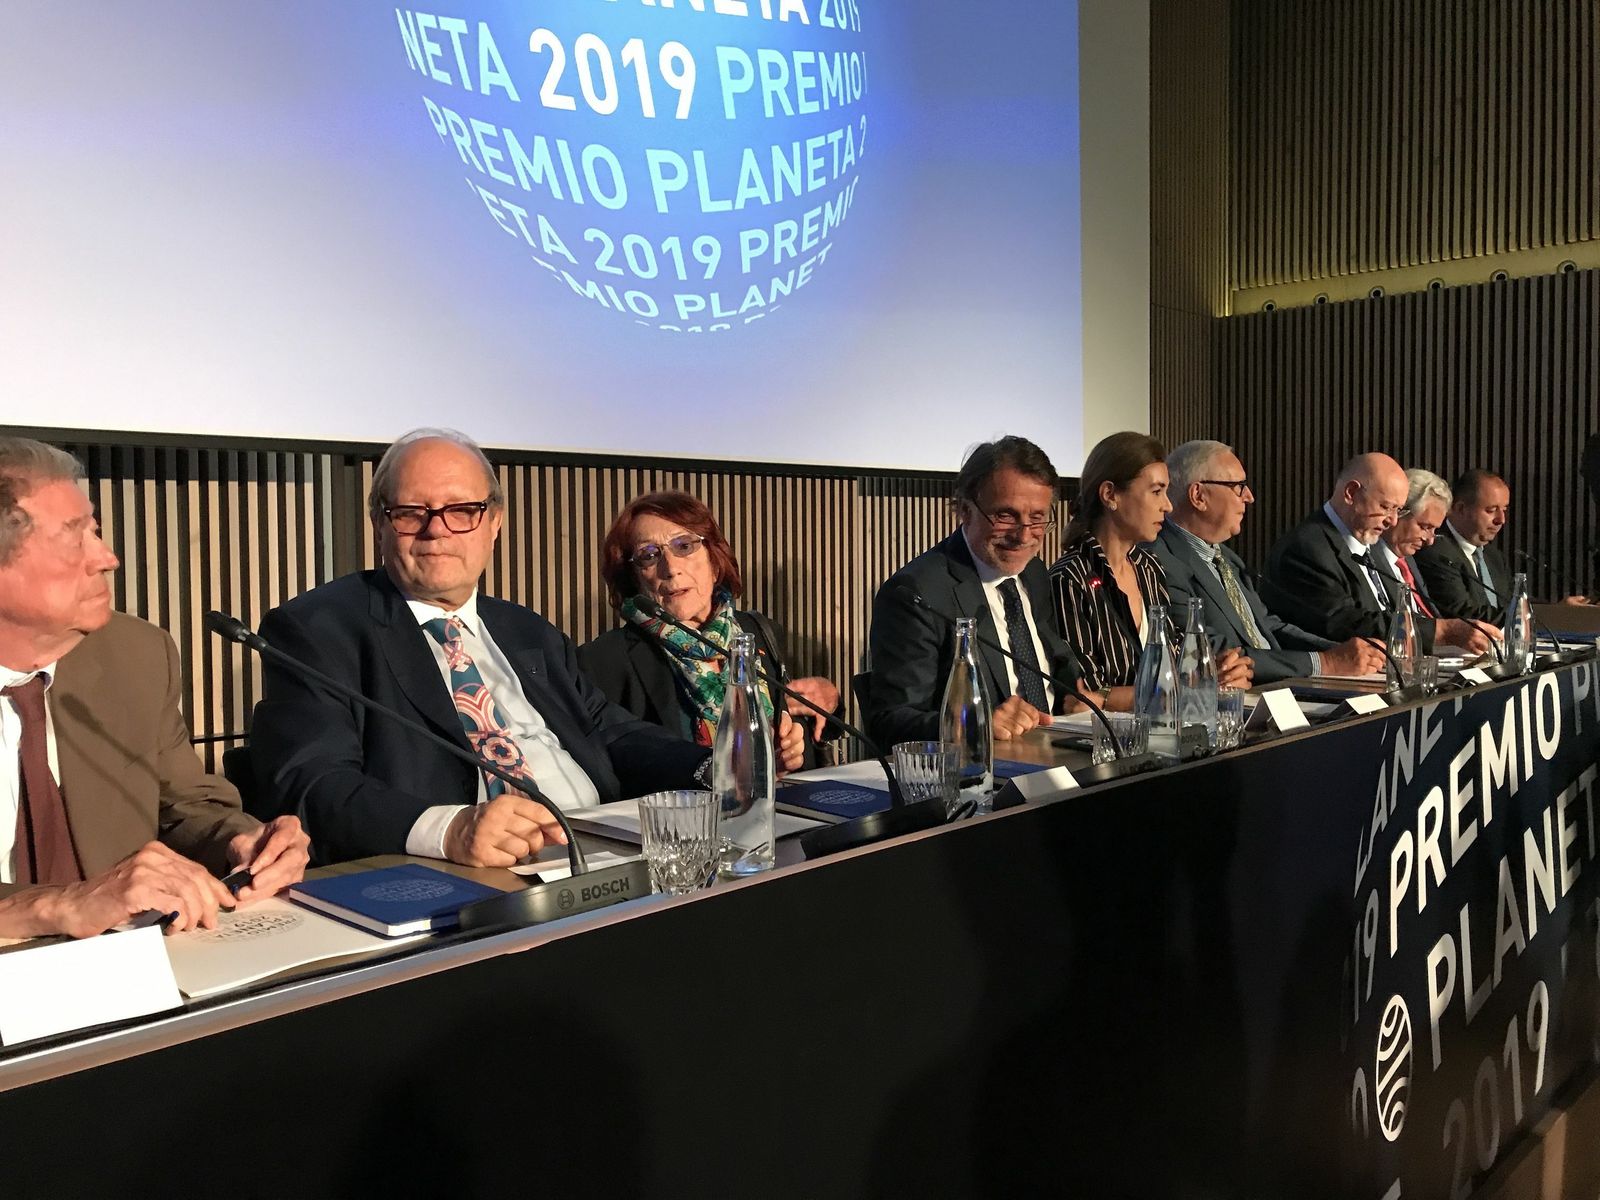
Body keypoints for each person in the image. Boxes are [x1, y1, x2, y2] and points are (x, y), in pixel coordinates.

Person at [249, 429, 709, 868]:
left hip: (603, 853)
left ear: (493, 523)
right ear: (379, 523)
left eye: (462, 510)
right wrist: (449, 831)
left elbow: (611, 733)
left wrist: (717, 767)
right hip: (459, 879)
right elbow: (309, 783)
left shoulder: (526, 630)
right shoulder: (318, 630)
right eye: (411, 512)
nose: (437, 531)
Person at [0, 437, 308, 939]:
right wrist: (54, 906)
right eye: (75, 538)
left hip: (137, 971)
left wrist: (243, 841)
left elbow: (185, 808)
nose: (107, 558)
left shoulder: (135, 655)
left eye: (95, 531)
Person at [578, 491, 826, 771]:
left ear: (714, 559)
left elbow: (796, 730)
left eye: (684, 546)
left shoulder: (755, 631)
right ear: (634, 577)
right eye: (648, 555)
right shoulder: (605, 660)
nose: (671, 568)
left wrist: (792, 746)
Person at [865, 436, 1085, 748]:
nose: (1024, 535)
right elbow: (889, 720)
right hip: (978, 769)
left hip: (1055, 746)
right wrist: (973, 723)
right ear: (965, 510)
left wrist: (1073, 701)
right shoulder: (917, 592)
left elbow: (1054, 667)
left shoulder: (1034, 574)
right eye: (1005, 516)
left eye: (1037, 518)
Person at [1149, 440, 1386, 684]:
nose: (1249, 497)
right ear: (1198, 495)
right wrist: (1326, 662)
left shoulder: (1226, 558)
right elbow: (1212, 652)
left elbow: (1268, 626)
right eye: (1238, 486)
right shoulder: (1161, 560)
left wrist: (1346, 652)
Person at [1050, 433, 1253, 708]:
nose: (1167, 505)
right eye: (1156, 491)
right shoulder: (1070, 578)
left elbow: (1179, 662)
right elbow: (1088, 694)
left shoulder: (1149, 568)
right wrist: (1188, 689)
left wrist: (1217, 671)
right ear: (1110, 495)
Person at [1260, 452, 1439, 651]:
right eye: (1386, 507)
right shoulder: (1306, 548)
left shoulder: (1371, 546)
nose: (1393, 521)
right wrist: (1435, 631)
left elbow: (1386, 613)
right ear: (1351, 493)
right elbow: (1344, 624)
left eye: (1398, 510)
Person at [1375, 469, 1496, 654]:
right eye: (1425, 527)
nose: (1430, 540)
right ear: (1399, 513)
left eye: (1434, 530)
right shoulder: (1368, 559)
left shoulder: (1409, 562)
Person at [1413, 469, 1513, 623]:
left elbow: (1510, 605)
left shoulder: (1494, 557)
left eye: (1504, 510)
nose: (1501, 519)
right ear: (1460, 509)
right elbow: (1462, 613)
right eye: (1491, 510)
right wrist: (1525, 617)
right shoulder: (1435, 550)